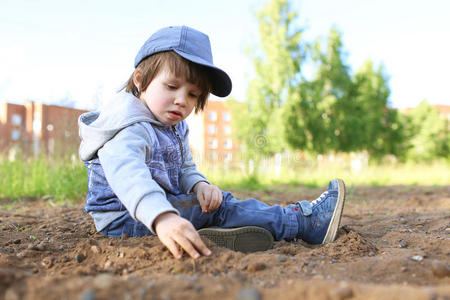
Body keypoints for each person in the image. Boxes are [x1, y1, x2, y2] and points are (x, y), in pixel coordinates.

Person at [78, 25, 346, 260]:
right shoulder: (128, 126)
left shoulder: (172, 123)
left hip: (154, 208)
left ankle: (211, 230)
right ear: (140, 80)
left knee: (211, 204)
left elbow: (182, 167)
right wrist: (163, 217)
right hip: (125, 218)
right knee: (222, 208)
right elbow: (129, 177)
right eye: (171, 87)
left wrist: (198, 184)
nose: (182, 100)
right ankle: (301, 222)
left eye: (193, 94)